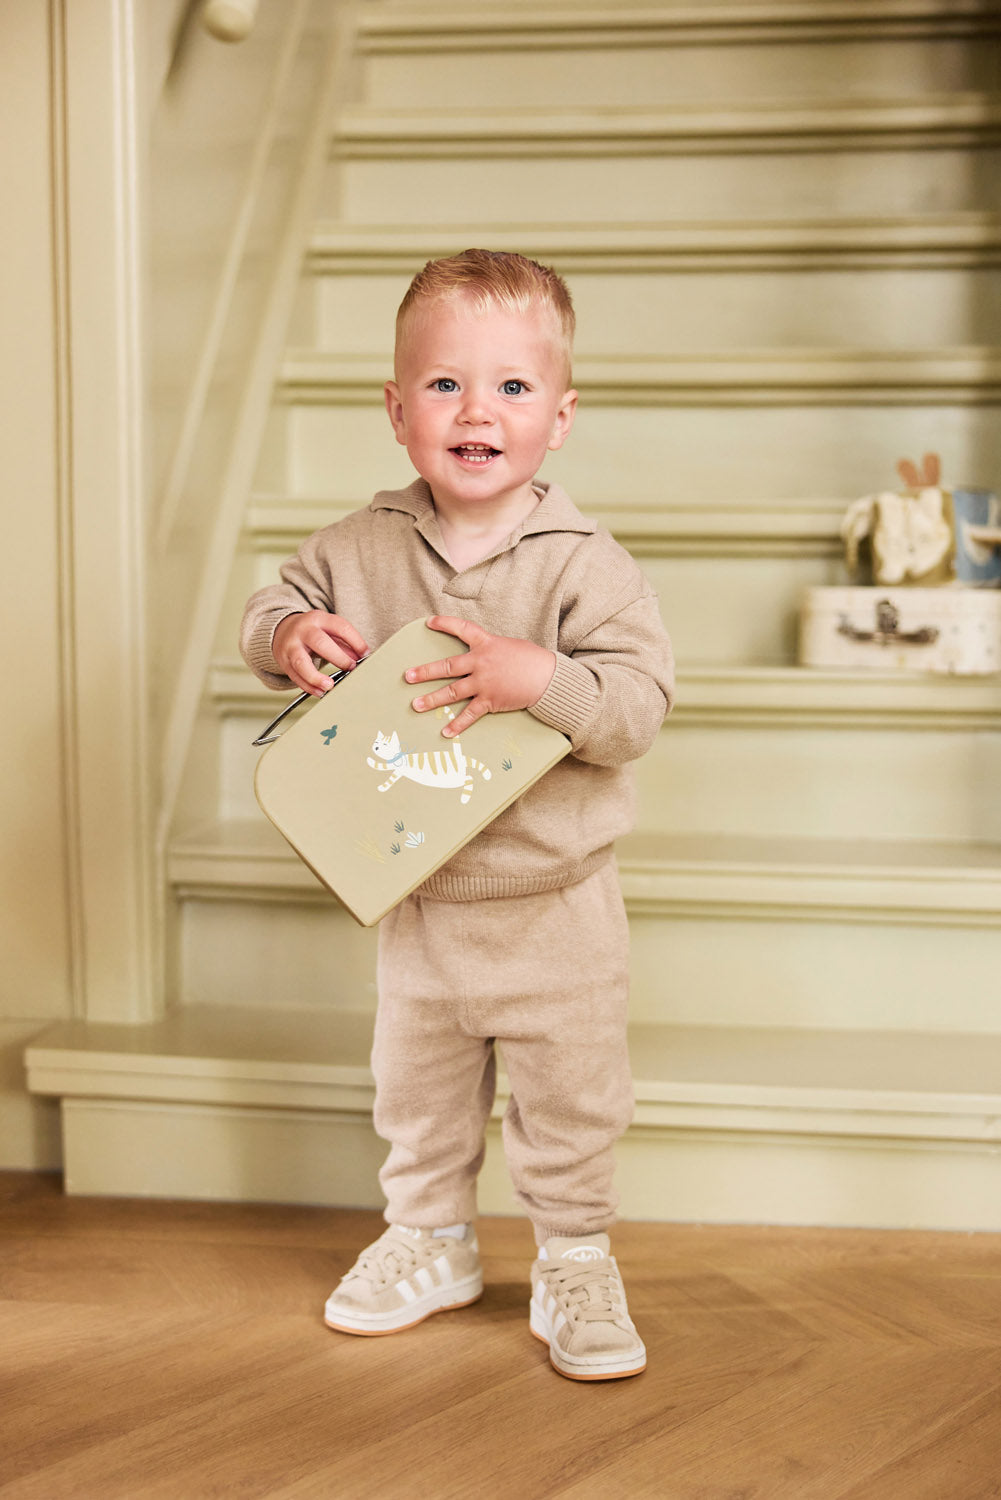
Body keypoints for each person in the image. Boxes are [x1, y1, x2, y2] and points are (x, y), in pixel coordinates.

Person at [240, 249, 674, 1381]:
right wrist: (287, 636)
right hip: (418, 895)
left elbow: (634, 709)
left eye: (512, 387)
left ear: (559, 417)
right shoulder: (358, 546)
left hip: (555, 906)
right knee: (418, 1093)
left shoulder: (588, 569)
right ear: (397, 411)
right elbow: (275, 600)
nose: (477, 411)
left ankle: (574, 1254)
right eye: (444, 385)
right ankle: (428, 1238)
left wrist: (546, 682)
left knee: (571, 1100)